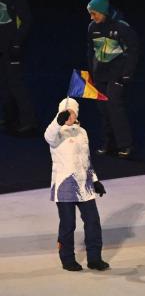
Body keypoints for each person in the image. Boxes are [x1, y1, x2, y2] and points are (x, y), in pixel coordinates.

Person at [44, 97, 110, 271]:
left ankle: (95, 258)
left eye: (71, 112)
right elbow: (48, 136)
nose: (69, 116)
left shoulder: (82, 132)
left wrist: (95, 180)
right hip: (65, 187)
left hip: (85, 186)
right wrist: (58, 121)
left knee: (93, 221)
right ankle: (67, 259)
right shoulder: (57, 131)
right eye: (65, 113)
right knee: (68, 224)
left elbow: (86, 159)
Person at [86, 0, 139, 158]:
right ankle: (109, 144)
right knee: (103, 109)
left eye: (94, 13)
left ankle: (125, 145)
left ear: (103, 12)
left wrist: (127, 74)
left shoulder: (121, 27)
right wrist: (91, 73)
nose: (92, 17)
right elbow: (90, 51)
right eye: (90, 14)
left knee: (114, 106)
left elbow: (134, 50)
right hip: (100, 74)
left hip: (117, 74)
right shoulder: (92, 28)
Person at [0, 0, 37, 135]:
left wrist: (16, 44)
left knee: (16, 84)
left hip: (12, 47)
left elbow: (26, 21)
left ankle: (28, 121)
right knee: (5, 83)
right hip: (2, 47)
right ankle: (9, 117)